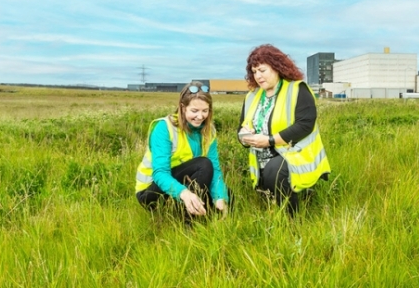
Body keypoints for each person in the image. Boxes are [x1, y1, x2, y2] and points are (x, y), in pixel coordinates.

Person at [238, 44, 330, 216]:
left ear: (277, 67)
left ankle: (292, 225)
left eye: (262, 70)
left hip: (294, 155)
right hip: (261, 159)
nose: (258, 76)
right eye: (254, 71)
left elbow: (305, 124)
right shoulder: (251, 97)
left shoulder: (297, 89)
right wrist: (244, 136)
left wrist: (270, 140)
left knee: (276, 171)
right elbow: (240, 130)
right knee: (271, 194)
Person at [135, 81, 230, 221]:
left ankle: (195, 209)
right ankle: (188, 222)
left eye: (205, 111)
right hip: (152, 191)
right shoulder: (164, 128)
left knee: (228, 198)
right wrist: (184, 193)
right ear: (183, 107)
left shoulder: (209, 131)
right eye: (194, 111)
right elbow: (160, 173)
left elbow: (215, 168)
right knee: (203, 164)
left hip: (182, 184)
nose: (200, 117)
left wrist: (220, 197)